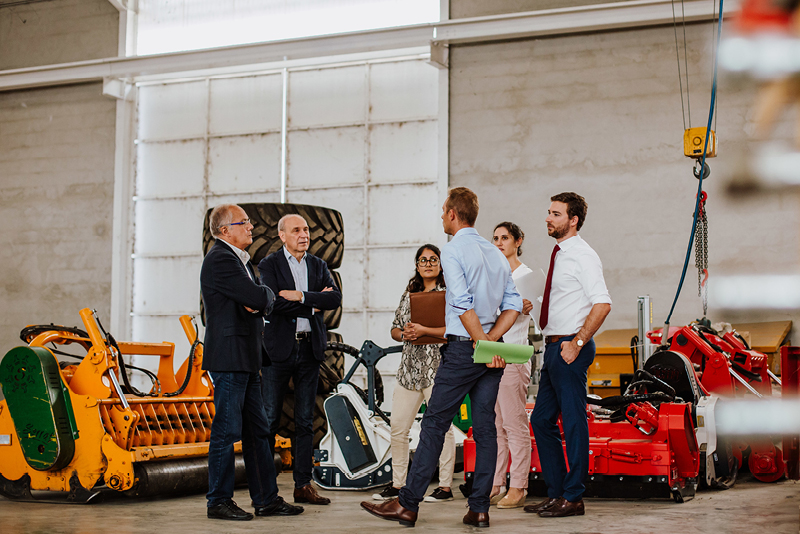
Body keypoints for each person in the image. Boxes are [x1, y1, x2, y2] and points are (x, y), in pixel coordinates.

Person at [360, 187, 522, 528]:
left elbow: (461, 304)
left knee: (434, 423)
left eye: (443, 211)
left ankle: (407, 504)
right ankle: (479, 509)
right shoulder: (495, 254)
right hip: (493, 347)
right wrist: (492, 344)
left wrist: (481, 345)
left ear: (452, 214)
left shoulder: (453, 250)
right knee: (486, 429)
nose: (441, 217)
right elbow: (513, 306)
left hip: (466, 348)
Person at [201, 204, 303, 520]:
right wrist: (262, 300)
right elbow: (262, 298)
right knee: (226, 430)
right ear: (223, 231)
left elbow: (259, 299)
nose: (250, 226)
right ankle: (218, 501)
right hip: (230, 358)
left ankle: (266, 499)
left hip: (247, 358)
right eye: (242, 222)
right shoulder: (221, 259)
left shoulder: (241, 262)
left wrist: (260, 300)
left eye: (249, 221)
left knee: (258, 431)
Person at [526, 192, 612, 518]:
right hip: (553, 348)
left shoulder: (583, 255)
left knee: (574, 423)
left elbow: (602, 303)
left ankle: (573, 496)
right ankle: (557, 492)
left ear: (573, 219)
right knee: (541, 420)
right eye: (548, 212)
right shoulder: (560, 254)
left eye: (556, 214)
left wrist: (576, 343)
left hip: (569, 349)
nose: (548, 218)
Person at [258, 214, 342, 506]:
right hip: (278, 350)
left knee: (306, 420)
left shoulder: (318, 265)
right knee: (269, 419)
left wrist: (299, 296)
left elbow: (334, 299)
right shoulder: (269, 265)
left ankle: (303, 485)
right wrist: (312, 303)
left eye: (306, 229)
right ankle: (266, 488)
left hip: (310, 349)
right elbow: (272, 303)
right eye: (296, 230)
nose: (303, 234)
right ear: (282, 235)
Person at [373, 244, 457, 503]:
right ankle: (398, 484)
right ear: (417, 265)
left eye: (433, 259)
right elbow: (395, 329)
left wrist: (424, 331)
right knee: (398, 428)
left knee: (443, 429)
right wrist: (405, 333)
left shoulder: (449, 293)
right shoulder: (409, 293)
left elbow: (454, 330)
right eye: (423, 260)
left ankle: (444, 487)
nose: (428, 264)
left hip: (438, 369)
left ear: (441, 265)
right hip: (409, 370)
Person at [489, 222, 534, 509]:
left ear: (518, 241)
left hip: (514, 354)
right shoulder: (494, 274)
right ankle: (496, 483)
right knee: (495, 426)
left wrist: (528, 305)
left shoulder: (526, 276)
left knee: (514, 425)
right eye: (495, 238)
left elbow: (541, 312)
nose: (499, 242)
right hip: (491, 354)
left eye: (504, 237)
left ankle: (519, 486)